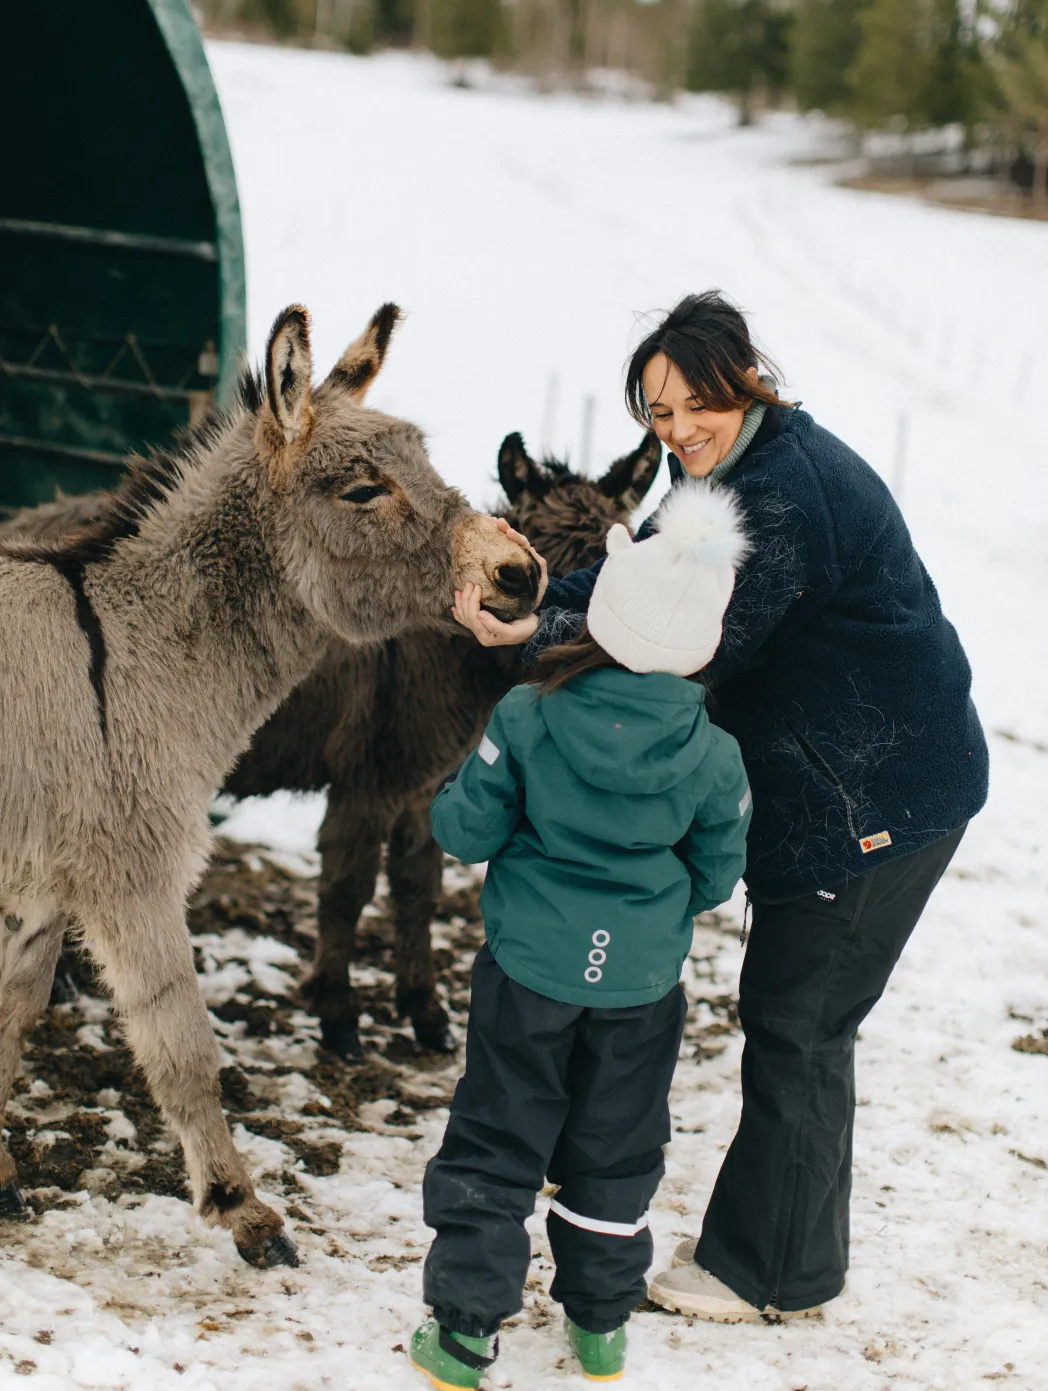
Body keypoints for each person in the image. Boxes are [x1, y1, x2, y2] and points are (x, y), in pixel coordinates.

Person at [450, 290, 989, 1323]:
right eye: (658, 412)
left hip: (877, 793)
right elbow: (632, 596)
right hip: (838, 776)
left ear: (747, 379)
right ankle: (789, 1244)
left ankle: (768, 1269)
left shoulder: (782, 499)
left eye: (700, 401)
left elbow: (678, 643)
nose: (680, 429)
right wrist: (532, 607)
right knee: (802, 1017)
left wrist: (526, 640)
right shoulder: (717, 476)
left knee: (800, 1020)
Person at [409, 484, 752, 1388]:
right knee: (617, 1145)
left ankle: (463, 1332)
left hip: (529, 970)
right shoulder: (716, 755)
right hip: (640, 984)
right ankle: (600, 1324)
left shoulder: (527, 714)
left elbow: (463, 831)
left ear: (603, 612)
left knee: (497, 1134)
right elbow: (717, 877)